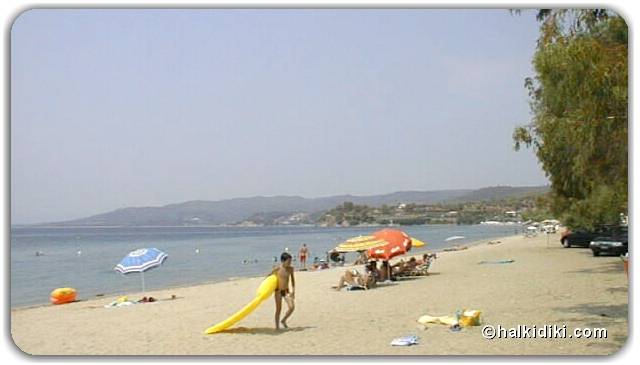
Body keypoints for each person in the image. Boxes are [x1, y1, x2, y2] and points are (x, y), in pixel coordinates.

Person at [271, 252, 295, 330]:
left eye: (290, 261)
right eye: (288, 261)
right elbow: (269, 278)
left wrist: (293, 291)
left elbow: (293, 280)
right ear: (283, 261)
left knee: (291, 307)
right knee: (278, 309)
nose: (290, 263)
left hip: (286, 291)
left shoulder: (291, 269)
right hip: (278, 291)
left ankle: (283, 320)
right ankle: (277, 327)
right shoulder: (277, 268)